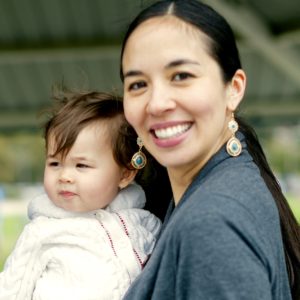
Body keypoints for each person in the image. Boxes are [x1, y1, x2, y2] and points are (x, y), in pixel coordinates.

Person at [119, 0, 300, 299]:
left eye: (181, 76)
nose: (156, 103)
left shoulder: (211, 223)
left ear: (234, 88)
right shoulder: (222, 185)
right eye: (138, 84)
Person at [0, 90, 162, 300]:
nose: (65, 176)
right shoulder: (42, 232)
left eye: (81, 165)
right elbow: (11, 289)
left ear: (125, 174)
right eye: (55, 163)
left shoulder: (143, 222)